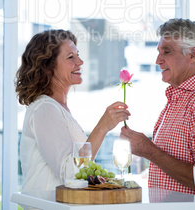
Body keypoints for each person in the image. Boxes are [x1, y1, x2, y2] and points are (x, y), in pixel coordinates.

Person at [121, 18, 195, 209]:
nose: (158, 60)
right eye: (159, 52)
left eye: (167, 51)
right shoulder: (182, 98)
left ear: (193, 54)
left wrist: (148, 150)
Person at [15, 29, 130, 192]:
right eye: (71, 57)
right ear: (47, 67)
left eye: (78, 54)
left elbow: (79, 170)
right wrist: (102, 127)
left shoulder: (58, 108)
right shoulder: (45, 109)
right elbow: (70, 174)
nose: (80, 61)